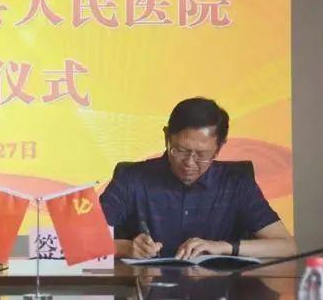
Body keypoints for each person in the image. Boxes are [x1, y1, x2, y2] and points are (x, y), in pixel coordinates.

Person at [100, 97, 296, 259]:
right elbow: (84, 241)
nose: (189, 163)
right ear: (167, 137)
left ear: (219, 147)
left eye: (202, 155)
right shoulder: (132, 179)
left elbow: (287, 246)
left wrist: (222, 247)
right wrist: (125, 247)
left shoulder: (236, 183)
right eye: (180, 150)